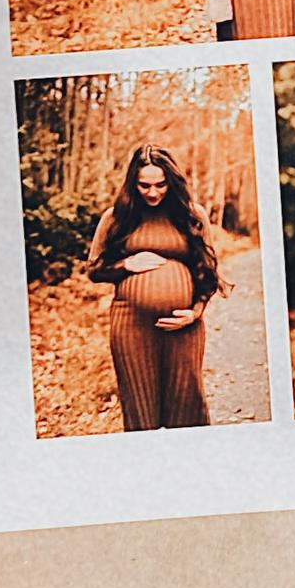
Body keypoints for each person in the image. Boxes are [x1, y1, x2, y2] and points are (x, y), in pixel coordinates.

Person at [85, 144, 225, 430]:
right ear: (133, 183)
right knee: (140, 414)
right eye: (144, 185)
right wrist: (126, 265)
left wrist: (195, 313)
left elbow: (207, 273)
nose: (153, 193)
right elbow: (94, 269)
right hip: (131, 325)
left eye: (161, 185)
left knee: (188, 411)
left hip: (183, 327)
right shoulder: (116, 218)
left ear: (172, 182)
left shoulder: (192, 216)